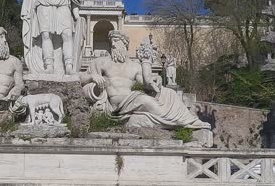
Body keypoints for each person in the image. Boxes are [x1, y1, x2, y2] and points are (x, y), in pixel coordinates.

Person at [80, 31, 211, 131]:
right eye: (112, 42)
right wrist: (92, 77)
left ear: (124, 44)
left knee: (169, 93)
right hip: (114, 105)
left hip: (131, 99)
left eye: (116, 41)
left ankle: (188, 120)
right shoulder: (102, 62)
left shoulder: (134, 66)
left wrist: (156, 79)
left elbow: (145, 83)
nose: (113, 45)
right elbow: (80, 78)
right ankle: (183, 122)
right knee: (145, 100)